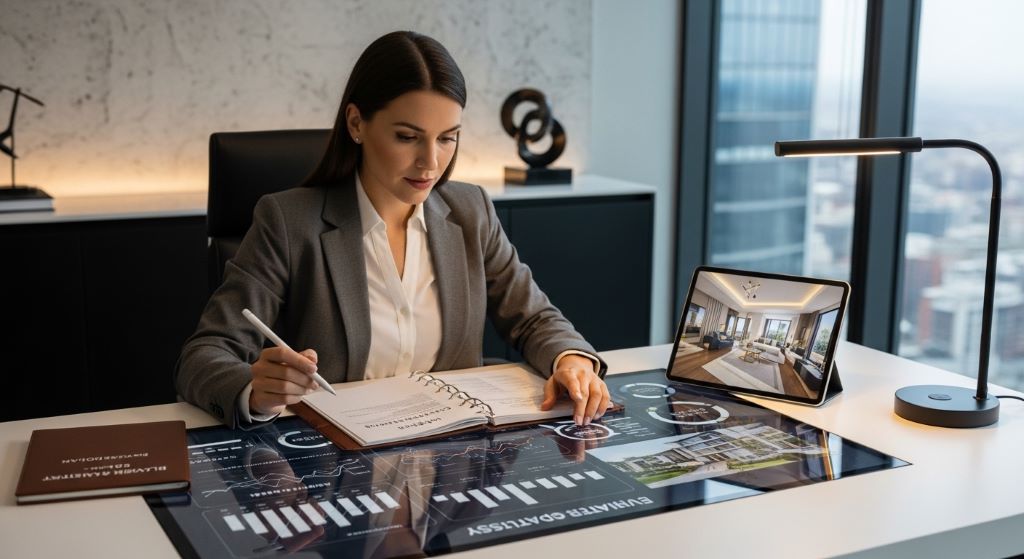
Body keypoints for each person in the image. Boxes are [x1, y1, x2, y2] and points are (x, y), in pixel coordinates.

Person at [175, 30, 610, 430]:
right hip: (331, 469)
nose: (431, 162)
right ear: (356, 124)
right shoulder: (288, 222)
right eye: (407, 137)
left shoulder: (469, 210)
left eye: (447, 137)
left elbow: (533, 317)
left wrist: (570, 359)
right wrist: (255, 391)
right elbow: (202, 356)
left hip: (453, 470)